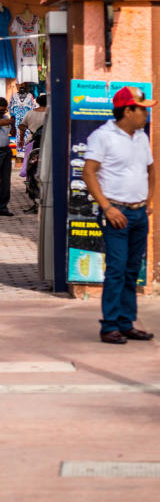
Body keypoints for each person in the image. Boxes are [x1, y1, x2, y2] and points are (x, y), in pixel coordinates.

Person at [81, 86, 156, 345]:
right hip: (116, 213)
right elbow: (88, 172)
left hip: (138, 214)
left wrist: (149, 200)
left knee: (132, 269)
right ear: (128, 110)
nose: (146, 114)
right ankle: (109, 326)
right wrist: (107, 207)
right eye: (142, 109)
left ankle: (126, 323)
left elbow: (150, 169)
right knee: (116, 269)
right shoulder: (103, 136)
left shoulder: (141, 137)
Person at [8, 84, 37, 157]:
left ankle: (25, 150)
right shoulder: (14, 96)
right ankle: (19, 150)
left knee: (27, 132)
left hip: (27, 118)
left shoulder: (30, 96)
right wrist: (12, 115)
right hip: (18, 118)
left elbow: (33, 107)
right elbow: (10, 107)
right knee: (18, 133)